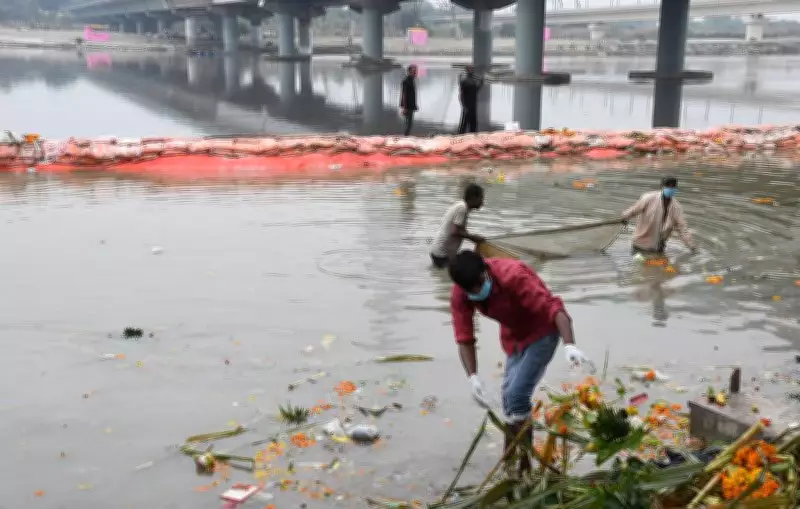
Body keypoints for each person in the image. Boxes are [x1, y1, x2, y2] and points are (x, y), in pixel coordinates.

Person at [448, 250, 589, 473]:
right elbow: (464, 337)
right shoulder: (462, 292)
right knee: (507, 399)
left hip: (543, 331)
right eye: (470, 290)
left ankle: (524, 466)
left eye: (479, 285)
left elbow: (553, 308)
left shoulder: (514, 275)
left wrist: (569, 344)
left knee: (517, 396)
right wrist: (472, 377)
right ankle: (509, 459)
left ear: (485, 272)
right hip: (513, 338)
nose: (477, 292)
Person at [621, 176, 697, 256]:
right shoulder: (649, 198)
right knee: (642, 266)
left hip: (659, 247)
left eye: (673, 186)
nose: (670, 188)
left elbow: (683, 230)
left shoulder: (676, 207)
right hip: (640, 245)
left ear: (676, 188)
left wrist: (692, 247)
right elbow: (633, 211)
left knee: (658, 266)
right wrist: (624, 217)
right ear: (662, 186)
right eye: (668, 186)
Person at [429, 184, 486, 268]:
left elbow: (461, 230)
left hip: (441, 253)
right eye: (481, 198)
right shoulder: (462, 208)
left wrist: (473, 238)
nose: (482, 202)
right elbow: (455, 231)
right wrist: (473, 238)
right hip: (442, 255)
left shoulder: (462, 206)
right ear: (474, 198)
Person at [457, 65, 483, 134]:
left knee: (473, 123)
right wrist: (463, 105)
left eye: (472, 69)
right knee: (464, 123)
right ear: (467, 70)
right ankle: (460, 136)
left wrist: (481, 83)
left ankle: (473, 136)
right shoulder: (464, 81)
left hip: (473, 104)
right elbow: (461, 94)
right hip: (467, 104)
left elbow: (476, 91)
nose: (471, 70)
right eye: (470, 69)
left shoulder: (474, 80)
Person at [400, 65, 418, 136]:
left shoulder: (411, 80)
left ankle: (406, 137)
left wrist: (414, 105)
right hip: (407, 106)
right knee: (408, 124)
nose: (415, 73)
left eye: (415, 72)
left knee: (410, 124)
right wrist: (404, 108)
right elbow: (404, 95)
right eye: (413, 72)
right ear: (409, 72)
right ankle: (405, 138)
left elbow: (411, 95)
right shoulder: (406, 81)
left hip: (411, 106)